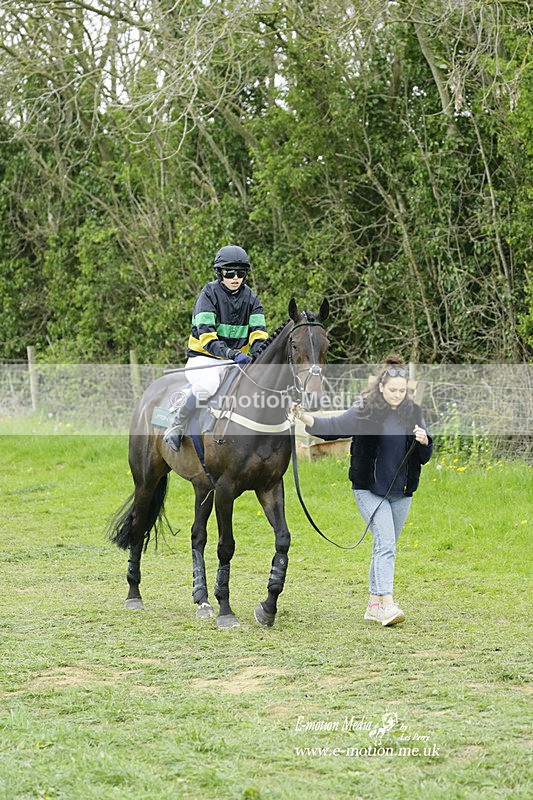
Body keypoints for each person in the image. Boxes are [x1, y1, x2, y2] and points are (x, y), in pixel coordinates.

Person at [292, 355, 433, 626]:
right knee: (386, 545)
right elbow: (334, 427)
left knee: (384, 545)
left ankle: (372, 605)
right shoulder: (366, 410)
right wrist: (305, 417)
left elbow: (424, 455)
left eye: (402, 391)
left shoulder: (413, 412)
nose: (398, 395)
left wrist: (425, 442)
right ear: (381, 387)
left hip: (401, 492)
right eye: (393, 390)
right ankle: (387, 605)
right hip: (369, 489)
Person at [164, 245, 269, 452]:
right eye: (229, 273)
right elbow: (208, 339)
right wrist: (232, 354)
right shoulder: (208, 295)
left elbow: (259, 334)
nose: (235, 278)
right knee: (209, 384)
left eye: (240, 273)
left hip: (235, 361)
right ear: (220, 273)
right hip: (204, 358)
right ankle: (175, 425)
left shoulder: (252, 298)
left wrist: (259, 354)